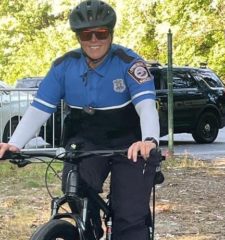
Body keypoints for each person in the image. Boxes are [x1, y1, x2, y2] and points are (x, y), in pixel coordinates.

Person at [0, 0, 160, 239]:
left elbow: (147, 106)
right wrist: (14, 144)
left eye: (101, 33)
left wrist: (149, 140)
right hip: (86, 142)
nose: (94, 40)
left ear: (111, 33)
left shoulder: (129, 64)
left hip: (130, 144)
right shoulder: (64, 67)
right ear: (78, 37)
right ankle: (89, 230)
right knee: (75, 190)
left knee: (128, 214)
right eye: (87, 34)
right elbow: (38, 110)